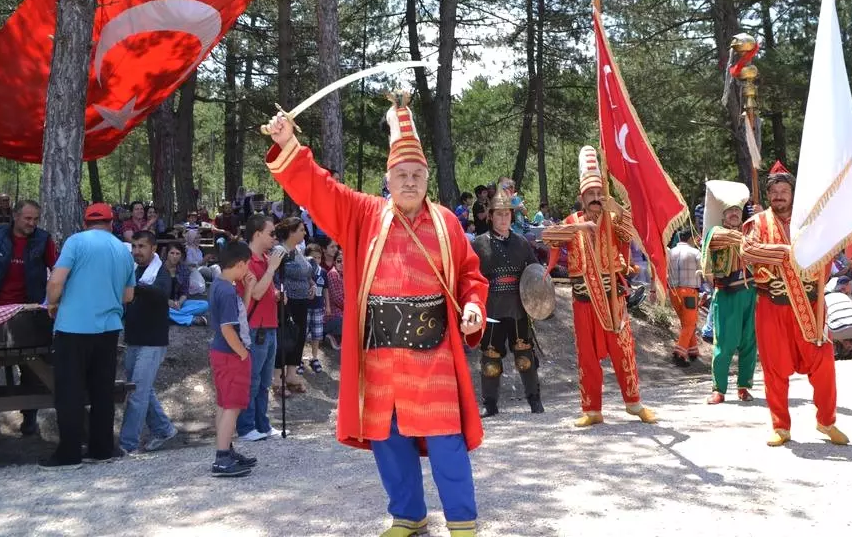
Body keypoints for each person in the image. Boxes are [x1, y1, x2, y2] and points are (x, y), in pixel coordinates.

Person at [264, 92, 488, 537]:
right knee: (388, 439)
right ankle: (408, 514)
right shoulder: (363, 213)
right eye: (401, 175)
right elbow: (319, 187)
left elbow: (469, 275)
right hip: (380, 352)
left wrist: (475, 307)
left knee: (446, 439)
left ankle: (462, 522)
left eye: (417, 175)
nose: (409, 182)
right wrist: (289, 142)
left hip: (434, 352)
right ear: (388, 179)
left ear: (427, 179)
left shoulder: (447, 223)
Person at [725, 162, 847, 447]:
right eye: (775, 191)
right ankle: (781, 426)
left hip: (810, 303)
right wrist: (787, 252)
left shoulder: (811, 220)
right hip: (773, 305)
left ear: (794, 193)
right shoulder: (758, 223)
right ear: (768, 195)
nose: (779, 195)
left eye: (784, 190)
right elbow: (748, 249)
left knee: (824, 360)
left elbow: (829, 253)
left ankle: (826, 421)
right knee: (774, 367)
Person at [542, 146, 657, 428]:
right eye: (590, 195)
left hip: (613, 299)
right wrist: (580, 229)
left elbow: (631, 233)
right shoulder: (572, 223)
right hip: (583, 301)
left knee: (623, 350)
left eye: (598, 194)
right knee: (587, 355)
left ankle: (634, 403)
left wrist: (615, 209)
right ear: (582, 198)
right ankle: (592, 409)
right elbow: (548, 236)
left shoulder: (613, 219)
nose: (595, 199)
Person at [40, 203, 135, 469]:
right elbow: (128, 295)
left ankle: (69, 453)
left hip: (74, 327)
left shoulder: (76, 242)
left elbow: (57, 281)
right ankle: (102, 448)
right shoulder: (123, 250)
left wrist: (51, 302)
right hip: (109, 328)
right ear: (111, 222)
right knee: (102, 390)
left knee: (70, 391)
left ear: (85, 222)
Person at [0, 199, 58, 437]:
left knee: (31, 364)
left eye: (36, 219)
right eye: (28, 218)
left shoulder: (44, 239)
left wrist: (54, 301)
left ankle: (30, 418)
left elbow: (57, 269)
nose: (32, 223)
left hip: (28, 309)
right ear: (16, 216)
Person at [472, 188, 543, 416]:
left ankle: (535, 401)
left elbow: (534, 274)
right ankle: (490, 405)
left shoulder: (522, 243)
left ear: (512, 216)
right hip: (492, 309)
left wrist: (538, 303)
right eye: (499, 214)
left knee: (525, 358)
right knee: (490, 360)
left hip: (518, 309)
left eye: (507, 214)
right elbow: (471, 277)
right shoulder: (478, 244)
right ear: (491, 215)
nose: (503, 218)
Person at [119, 231, 177, 454]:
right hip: (133, 339)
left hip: (152, 342)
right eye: (134, 246)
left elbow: (161, 293)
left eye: (141, 246)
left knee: (136, 394)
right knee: (142, 389)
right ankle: (163, 429)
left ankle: (127, 445)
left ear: (153, 249)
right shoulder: (131, 270)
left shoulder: (160, 273)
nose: (137, 251)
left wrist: (134, 286)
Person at [207, 240, 259, 478]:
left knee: (224, 404)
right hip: (231, 355)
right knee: (232, 406)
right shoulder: (227, 290)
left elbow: (240, 316)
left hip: (221, 353)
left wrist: (247, 290)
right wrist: (242, 353)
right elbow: (229, 328)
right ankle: (222, 458)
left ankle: (226, 449)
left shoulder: (222, 284)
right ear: (239, 264)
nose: (247, 269)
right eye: (246, 265)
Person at [700, 180, 757, 399]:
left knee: (749, 342)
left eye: (737, 210)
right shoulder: (716, 232)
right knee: (725, 342)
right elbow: (732, 240)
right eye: (730, 211)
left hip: (750, 293)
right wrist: (753, 233)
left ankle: (744, 387)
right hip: (726, 294)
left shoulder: (750, 231)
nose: (734, 214)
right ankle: (718, 389)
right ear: (723, 216)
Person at [237, 214, 281, 443]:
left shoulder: (265, 259)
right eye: (271, 233)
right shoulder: (246, 261)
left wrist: (276, 295)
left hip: (270, 326)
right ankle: (246, 427)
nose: (274, 237)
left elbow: (264, 292)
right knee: (252, 380)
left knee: (265, 382)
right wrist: (272, 270)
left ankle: (262, 423)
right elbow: (254, 293)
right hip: (255, 328)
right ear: (257, 234)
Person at [275, 217, 312, 393]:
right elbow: (273, 275)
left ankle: (291, 373)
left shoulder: (297, 250)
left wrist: (311, 284)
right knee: (285, 336)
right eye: (301, 230)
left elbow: (305, 272)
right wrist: (278, 292)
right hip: (287, 302)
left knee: (298, 336)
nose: (304, 233)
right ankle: (276, 378)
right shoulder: (279, 250)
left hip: (302, 301)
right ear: (291, 231)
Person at [667, 228, 703, 367]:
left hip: (674, 292)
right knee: (690, 323)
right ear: (690, 239)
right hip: (689, 291)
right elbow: (704, 268)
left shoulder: (670, 252)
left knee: (686, 322)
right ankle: (679, 354)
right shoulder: (695, 252)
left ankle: (693, 351)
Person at [166, 244, 210, 326]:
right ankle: (191, 319)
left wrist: (179, 302)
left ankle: (172, 315)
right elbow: (156, 292)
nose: (174, 256)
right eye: (172, 253)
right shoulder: (159, 268)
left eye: (177, 254)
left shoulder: (184, 269)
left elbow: (184, 292)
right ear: (167, 254)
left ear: (181, 256)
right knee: (157, 308)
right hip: (162, 302)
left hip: (177, 302)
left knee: (204, 305)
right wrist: (168, 301)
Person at [305, 242, 326, 374]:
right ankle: (299, 359)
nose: (316, 260)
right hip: (306, 307)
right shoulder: (305, 271)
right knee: (302, 333)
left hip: (318, 307)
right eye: (313, 258)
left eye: (318, 257)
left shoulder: (323, 272)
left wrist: (327, 305)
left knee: (317, 334)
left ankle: (314, 357)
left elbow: (326, 290)